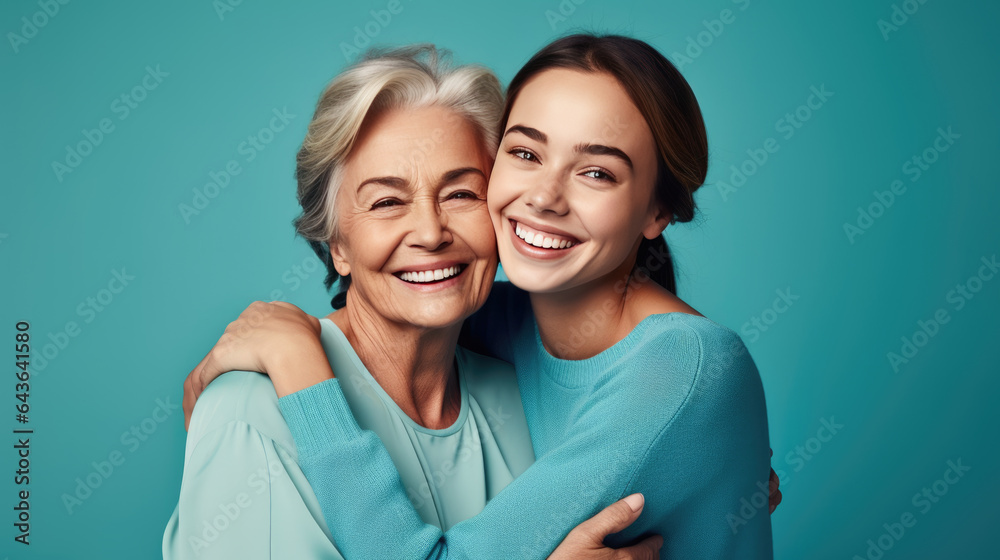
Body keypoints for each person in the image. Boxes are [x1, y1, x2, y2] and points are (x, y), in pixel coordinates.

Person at [187, 35, 780, 559]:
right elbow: (409, 313)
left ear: (658, 210)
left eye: (597, 172)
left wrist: (298, 367)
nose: (544, 197)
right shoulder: (502, 324)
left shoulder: (679, 371)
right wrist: (240, 379)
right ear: (334, 242)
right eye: (525, 153)